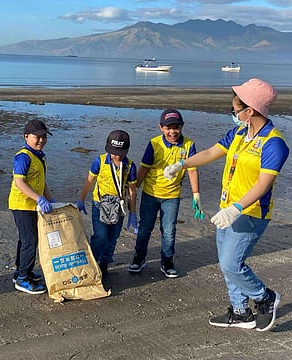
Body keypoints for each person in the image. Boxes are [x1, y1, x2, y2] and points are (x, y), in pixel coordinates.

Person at [164, 78, 289, 331]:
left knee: (232, 264)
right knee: (226, 264)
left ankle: (265, 298)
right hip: (227, 208)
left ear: (249, 110)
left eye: (234, 108)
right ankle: (241, 312)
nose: (232, 112)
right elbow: (212, 152)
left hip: (250, 212)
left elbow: (263, 184)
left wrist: (237, 209)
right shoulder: (239, 133)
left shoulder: (274, 143)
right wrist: (183, 164)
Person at [128, 109, 203, 278]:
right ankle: (139, 258)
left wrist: (196, 194)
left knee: (169, 230)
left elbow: (192, 170)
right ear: (161, 127)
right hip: (150, 194)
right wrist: (134, 189)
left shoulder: (189, 145)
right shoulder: (154, 144)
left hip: (172, 196)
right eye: (168, 128)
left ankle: (167, 262)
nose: (172, 132)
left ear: (182, 127)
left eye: (176, 127)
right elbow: (144, 168)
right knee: (145, 228)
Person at [77, 130, 138, 276]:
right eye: (113, 152)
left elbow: (132, 190)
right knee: (101, 236)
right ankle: (93, 262)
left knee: (113, 237)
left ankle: (104, 263)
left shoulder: (130, 166)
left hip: (118, 206)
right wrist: (81, 199)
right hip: (100, 205)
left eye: (120, 152)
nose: (116, 155)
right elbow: (89, 181)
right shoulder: (100, 161)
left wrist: (133, 213)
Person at [8, 119, 54, 295]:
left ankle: (20, 271)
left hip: (33, 205)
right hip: (22, 205)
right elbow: (19, 182)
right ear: (26, 136)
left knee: (26, 239)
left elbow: (42, 182)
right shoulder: (23, 156)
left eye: (44, 137)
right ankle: (23, 279)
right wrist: (39, 198)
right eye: (37, 137)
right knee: (30, 241)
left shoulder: (39, 156)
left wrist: (50, 200)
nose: (41, 140)